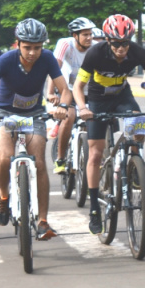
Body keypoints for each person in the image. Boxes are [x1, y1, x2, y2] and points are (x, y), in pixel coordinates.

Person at [74, 14, 145, 234]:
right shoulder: (95, 53)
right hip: (98, 98)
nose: (121, 48)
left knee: (138, 122)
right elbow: (78, 86)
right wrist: (83, 108)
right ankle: (94, 208)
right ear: (107, 40)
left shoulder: (138, 52)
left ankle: (133, 165)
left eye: (125, 43)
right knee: (95, 153)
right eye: (116, 44)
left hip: (122, 95)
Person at [0, 19, 73, 240]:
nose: (33, 52)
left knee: (40, 162)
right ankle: (4, 195)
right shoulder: (6, 60)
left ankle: (43, 221)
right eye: (27, 47)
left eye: (37, 47)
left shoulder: (47, 58)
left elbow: (65, 90)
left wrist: (63, 106)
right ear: (18, 44)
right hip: (4, 113)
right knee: (4, 157)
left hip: (34, 114)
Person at [49, 17, 97, 174]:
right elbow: (55, 69)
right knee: (69, 118)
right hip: (68, 88)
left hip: (89, 90)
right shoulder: (65, 44)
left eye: (90, 34)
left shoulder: (96, 48)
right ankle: (61, 159)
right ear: (75, 35)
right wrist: (50, 93)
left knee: (99, 119)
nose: (89, 37)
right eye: (85, 34)